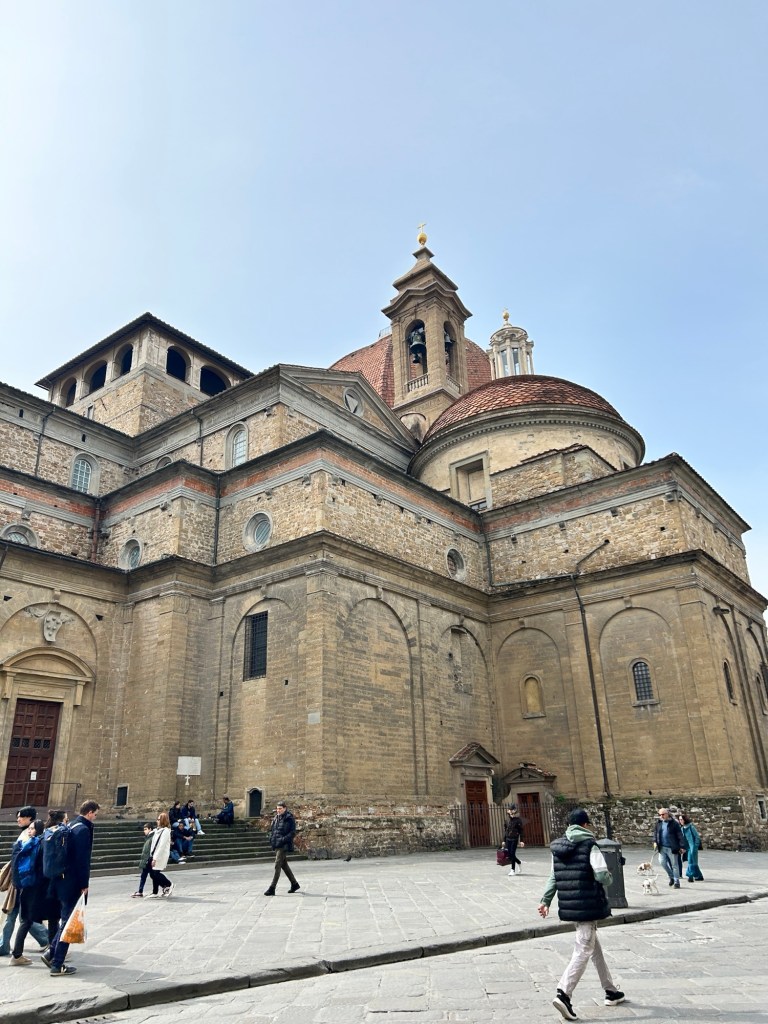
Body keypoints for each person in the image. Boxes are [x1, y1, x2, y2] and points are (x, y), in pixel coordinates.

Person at [538, 808, 624, 1021]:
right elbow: (602, 875)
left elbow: (553, 877)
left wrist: (545, 901)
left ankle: (611, 991)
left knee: (594, 947)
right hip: (587, 903)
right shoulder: (589, 845)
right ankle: (564, 994)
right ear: (585, 825)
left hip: (570, 904)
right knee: (584, 949)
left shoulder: (557, 848)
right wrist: (610, 877)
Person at [46, 799, 100, 977]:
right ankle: (57, 964)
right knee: (69, 923)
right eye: (95, 814)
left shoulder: (71, 825)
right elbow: (82, 861)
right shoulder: (83, 830)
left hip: (61, 880)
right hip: (73, 882)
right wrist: (84, 884)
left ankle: (51, 954)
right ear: (90, 812)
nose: (95, 817)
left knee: (65, 919)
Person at [0, 806, 49, 957]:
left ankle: (48, 938)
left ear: (30, 819)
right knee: (14, 914)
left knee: (22, 916)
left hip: (22, 882)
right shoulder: (26, 834)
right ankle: (4, 945)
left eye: (21, 817)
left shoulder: (32, 839)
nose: (18, 819)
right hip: (19, 881)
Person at [264, 800, 300, 896]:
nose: (278, 810)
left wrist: (283, 839)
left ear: (285, 808)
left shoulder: (289, 818)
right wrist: (271, 838)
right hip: (276, 844)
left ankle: (272, 888)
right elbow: (273, 830)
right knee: (284, 865)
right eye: (277, 809)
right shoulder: (276, 818)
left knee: (277, 864)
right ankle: (294, 884)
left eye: (280, 808)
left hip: (283, 845)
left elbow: (292, 833)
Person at [653, 807, 686, 888]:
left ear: (667, 814)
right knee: (662, 862)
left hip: (672, 847)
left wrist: (682, 846)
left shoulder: (674, 823)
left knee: (674, 865)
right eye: (660, 815)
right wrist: (655, 842)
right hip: (662, 847)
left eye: (663, 814)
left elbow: (680, 835)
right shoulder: (659, 823)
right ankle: (671, 876)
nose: (661, 816)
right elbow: (656, 833)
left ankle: (676, 881)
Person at [147, 812, 174, 898]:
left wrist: (155, 858)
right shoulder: (158, 830)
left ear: (162, 820)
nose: (157, 821)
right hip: (154, 854)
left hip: (160, 855)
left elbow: (161, 846)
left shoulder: (165, 831)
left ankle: (168, 884)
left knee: (155, 873)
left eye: (158, 819)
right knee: (152, 873)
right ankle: (155, 892)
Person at [678, 813, 704, 883]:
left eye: (681, 819)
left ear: (685, 819)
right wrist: (682, 847)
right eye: (679, 820)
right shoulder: (682, 828)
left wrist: (695, 846)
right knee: (693, 862)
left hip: (692, 847)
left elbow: (697, 837)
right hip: (686, 848)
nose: (680, 821)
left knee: (690, 861)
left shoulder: (691, 827)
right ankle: (699, 876)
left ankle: (690, 876)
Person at [131, 823, 155, 897]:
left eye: (145, 829)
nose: (144, 831)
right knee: (145, 876)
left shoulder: (151, 838)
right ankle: (140, 891)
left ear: (150, 829)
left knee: (153, 876)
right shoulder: (148, 837)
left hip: (148, 860)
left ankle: (165, 885)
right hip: (146, 859)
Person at [504, 806, 524, 876]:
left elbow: (521, 831)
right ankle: (519, 862)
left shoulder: (518, 820)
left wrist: (521, 841)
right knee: (509, 855)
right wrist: (504, 840)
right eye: (509, 810)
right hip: (508, 839)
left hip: (514, 839)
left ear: (514, 811)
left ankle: (512, 870)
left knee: (512, 854)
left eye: (511, 810)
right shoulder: (508, 820)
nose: (509, 811)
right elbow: (506, 831)